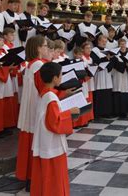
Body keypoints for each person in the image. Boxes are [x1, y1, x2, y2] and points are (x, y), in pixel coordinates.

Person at [30, 62, 78, 196]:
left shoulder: (45, 93)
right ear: (55, 78)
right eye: (61, 75)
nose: (62, 77)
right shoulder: (51, 98)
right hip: (52, 144)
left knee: (46, 176)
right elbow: (54, 122)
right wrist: (70, 113)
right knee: (54, 177)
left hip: (45, 141)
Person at [16, 36, 48, 187]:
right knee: (36, 143)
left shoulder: (31, 64)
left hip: (30, 107)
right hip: (36, 107)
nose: (47, 48)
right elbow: (44, 88)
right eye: (46, 46)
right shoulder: (39, 65)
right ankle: (33, 177)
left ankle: (29, 176)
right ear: (38, 48)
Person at [91, 35, 114, 118]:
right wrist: (106, 59)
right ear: (99, 41)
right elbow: (95, 61)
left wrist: (109, 61)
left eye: (105, 42)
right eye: (103, 41)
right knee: (99, 93)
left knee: (107, 93)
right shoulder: (94, 50)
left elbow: (112, 61)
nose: (104, 43)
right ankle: (98, 113)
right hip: (99, 74)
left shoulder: (108, 51)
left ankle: (107, 112)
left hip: (107, 74)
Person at [112, 39, 128, 117]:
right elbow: (114, 65)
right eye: (121, 44)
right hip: (117, 76)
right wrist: (124, 65)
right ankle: (117, 112)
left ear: (126, 45)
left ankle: (125, 111)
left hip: (126, 76)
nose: (123, 46)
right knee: (118, 92)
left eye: (124, 44)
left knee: (125, 93)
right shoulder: (115, 55)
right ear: (119, 45)